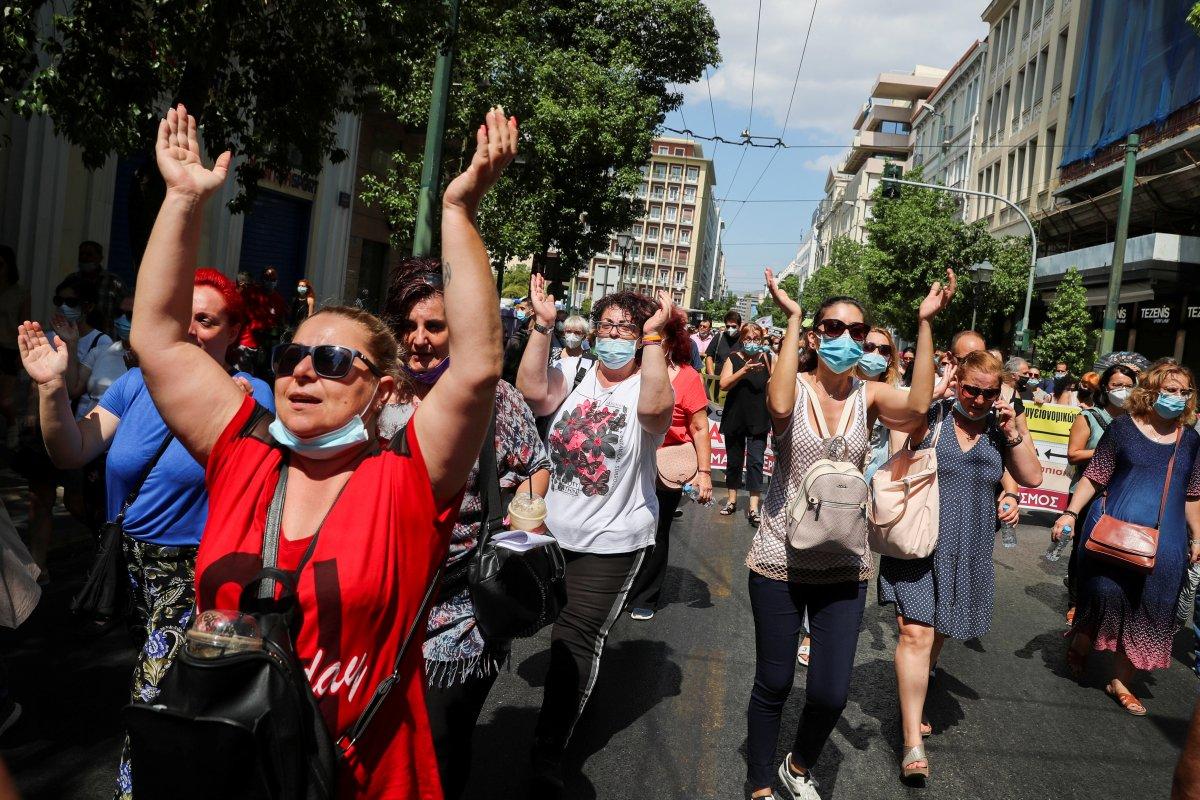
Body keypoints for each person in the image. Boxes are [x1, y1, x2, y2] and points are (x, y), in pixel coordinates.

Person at [130, 103, 512, 798]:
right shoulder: (242, 450)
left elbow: (479, 365)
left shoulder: (407, 479)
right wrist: (182, 199)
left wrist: (459, 210)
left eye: (333, 360)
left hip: (361, 779)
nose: (304, 370)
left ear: (382, 389)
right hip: (227, 776)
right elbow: (158, 337)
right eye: (292, 354)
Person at [19, 266, 273, 797]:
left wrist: (248, 414)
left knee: (152, 697)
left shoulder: (250, 397)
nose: (192, 329)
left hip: (198, 574)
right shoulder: (135, 386)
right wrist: (50, 388)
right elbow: (72, 449)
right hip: (131, 566)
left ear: (233, 333)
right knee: (170, 701)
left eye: (207, 320)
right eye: (184, 317)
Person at [744, 268, 953, 800]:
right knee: (775, 682)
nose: (847, 339)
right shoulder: (796, 384)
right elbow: (780, 406)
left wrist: (925, 324)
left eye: (857, 332)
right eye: (833, 327)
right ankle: (760, 782)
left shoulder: (871, 396)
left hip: (846, 563)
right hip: (779, 559)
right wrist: (791, 320)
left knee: (832, 693)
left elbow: (921, 404)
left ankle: (798, 763)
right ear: (816, 335)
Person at [378, 258, 549, 800]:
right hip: (378, 601)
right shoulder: (374, 394)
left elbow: (535, 466)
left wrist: (518, 526)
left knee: (437, 740)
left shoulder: (491, 397)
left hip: (461, 609)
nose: (419, 340)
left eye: (434, 326)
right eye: (407, 326)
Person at [516, 275, 674, 795]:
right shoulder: (577, 370)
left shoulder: (650, 380)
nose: (612, 335)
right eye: (606, 324)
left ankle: (546, 751)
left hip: (612, 539)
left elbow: (654, 414)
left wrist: (653, 337)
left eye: (625, 328)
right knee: (515, 619)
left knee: (575, 638)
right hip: (546, 532)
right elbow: (532, 394)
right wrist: (542, 324)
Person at [879, 350, 1043, 783]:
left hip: (968, 546)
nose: (979, 399)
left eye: (990, 393)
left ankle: (916, 691)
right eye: (971, 389)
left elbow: (1031, 477)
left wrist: (1011, 435)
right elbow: (897, 445)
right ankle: (911, 739)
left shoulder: (999, 427)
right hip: (919, 543)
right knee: (916, 632)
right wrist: (927, 398)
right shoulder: (931, 416)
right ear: (957, 384)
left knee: (940, 631)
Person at [1053, 361, 1200, 717]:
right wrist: (1070, 513)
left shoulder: (1191, 440)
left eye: (1184, 392)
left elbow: (1193, 493)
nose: (1177, 398)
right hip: (1111, 533)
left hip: (1166, 542)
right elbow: (1095, 474)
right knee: (1104, 593)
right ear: (1151, 392)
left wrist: (1198, 537)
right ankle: (1084, 640)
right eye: (1170, 390)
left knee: (1150, 606)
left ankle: (1121, 681)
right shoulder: (1122, 429)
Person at [628, 309, 713, 620]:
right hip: (628, 462)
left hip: (667, 467)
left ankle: (645, 596)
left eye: (656, 335)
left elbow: (700, 428)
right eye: (644, 334)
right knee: (624, 524)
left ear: (670, 340)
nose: (647, 341)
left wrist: (704, 474)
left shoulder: (689, 377)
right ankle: (618, 587)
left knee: (656, 529)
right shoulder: (627, 371)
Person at [1062, 364, 1137, 622]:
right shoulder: (1089, 417)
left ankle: (1105, 604)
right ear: (1106, 388)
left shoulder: (1137, 422)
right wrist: (1110, 450)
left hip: (1121, 497)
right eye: (1117, 385)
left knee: (1113, 553)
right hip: (1088, 494)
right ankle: (1076, 602)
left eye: (1128, 385)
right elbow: (1073, 454)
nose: (1123, 390)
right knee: (1083, 550)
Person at [718, 322, 773, 526]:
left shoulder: (767, 358)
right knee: (733, 461)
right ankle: (731, 501)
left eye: (756, 339)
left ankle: (753, 507)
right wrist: (744, 371)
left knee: (756, 462)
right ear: (742, 340)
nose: (752, 343)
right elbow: (723, 384)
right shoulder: (734, 358)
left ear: (761, 340)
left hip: (759, 417)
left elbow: (774, 383)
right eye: (748, 339)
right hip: (735, 417)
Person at [0, 247, 29, 448]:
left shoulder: (20, 292)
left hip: (9, 349)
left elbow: (24, 323)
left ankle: (12, 426)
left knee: (4, 400)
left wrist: (22, 352)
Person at [75, 240, 127, 337]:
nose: (84, 257)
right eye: (81, 254)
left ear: (100, 258)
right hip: (79, 338)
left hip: (107, 337)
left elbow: (125, 312)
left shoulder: (114, 282)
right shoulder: (72, 280)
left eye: (89, 254)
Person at [501, 296, 534, 385]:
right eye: (518, 308)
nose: (518, 311)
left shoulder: (534, 337)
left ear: (532, 312)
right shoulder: (521, 332)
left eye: (522, 309)